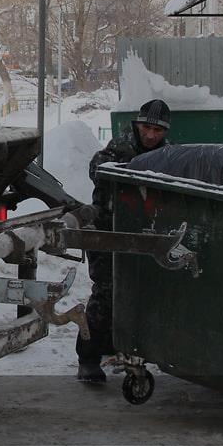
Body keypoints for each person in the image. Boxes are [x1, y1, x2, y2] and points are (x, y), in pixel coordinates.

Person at [77, 99, 170, 383]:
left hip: (141, 236)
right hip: (108, 233)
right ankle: (88, 358)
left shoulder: (167, 154)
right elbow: (96, 169)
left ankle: (115, 343)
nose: (150, 135)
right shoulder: (119, 147)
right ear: (137, 124)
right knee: (105, 294)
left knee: (135, 294)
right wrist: (126, 170)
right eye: (146, 128)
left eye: (157, 130)